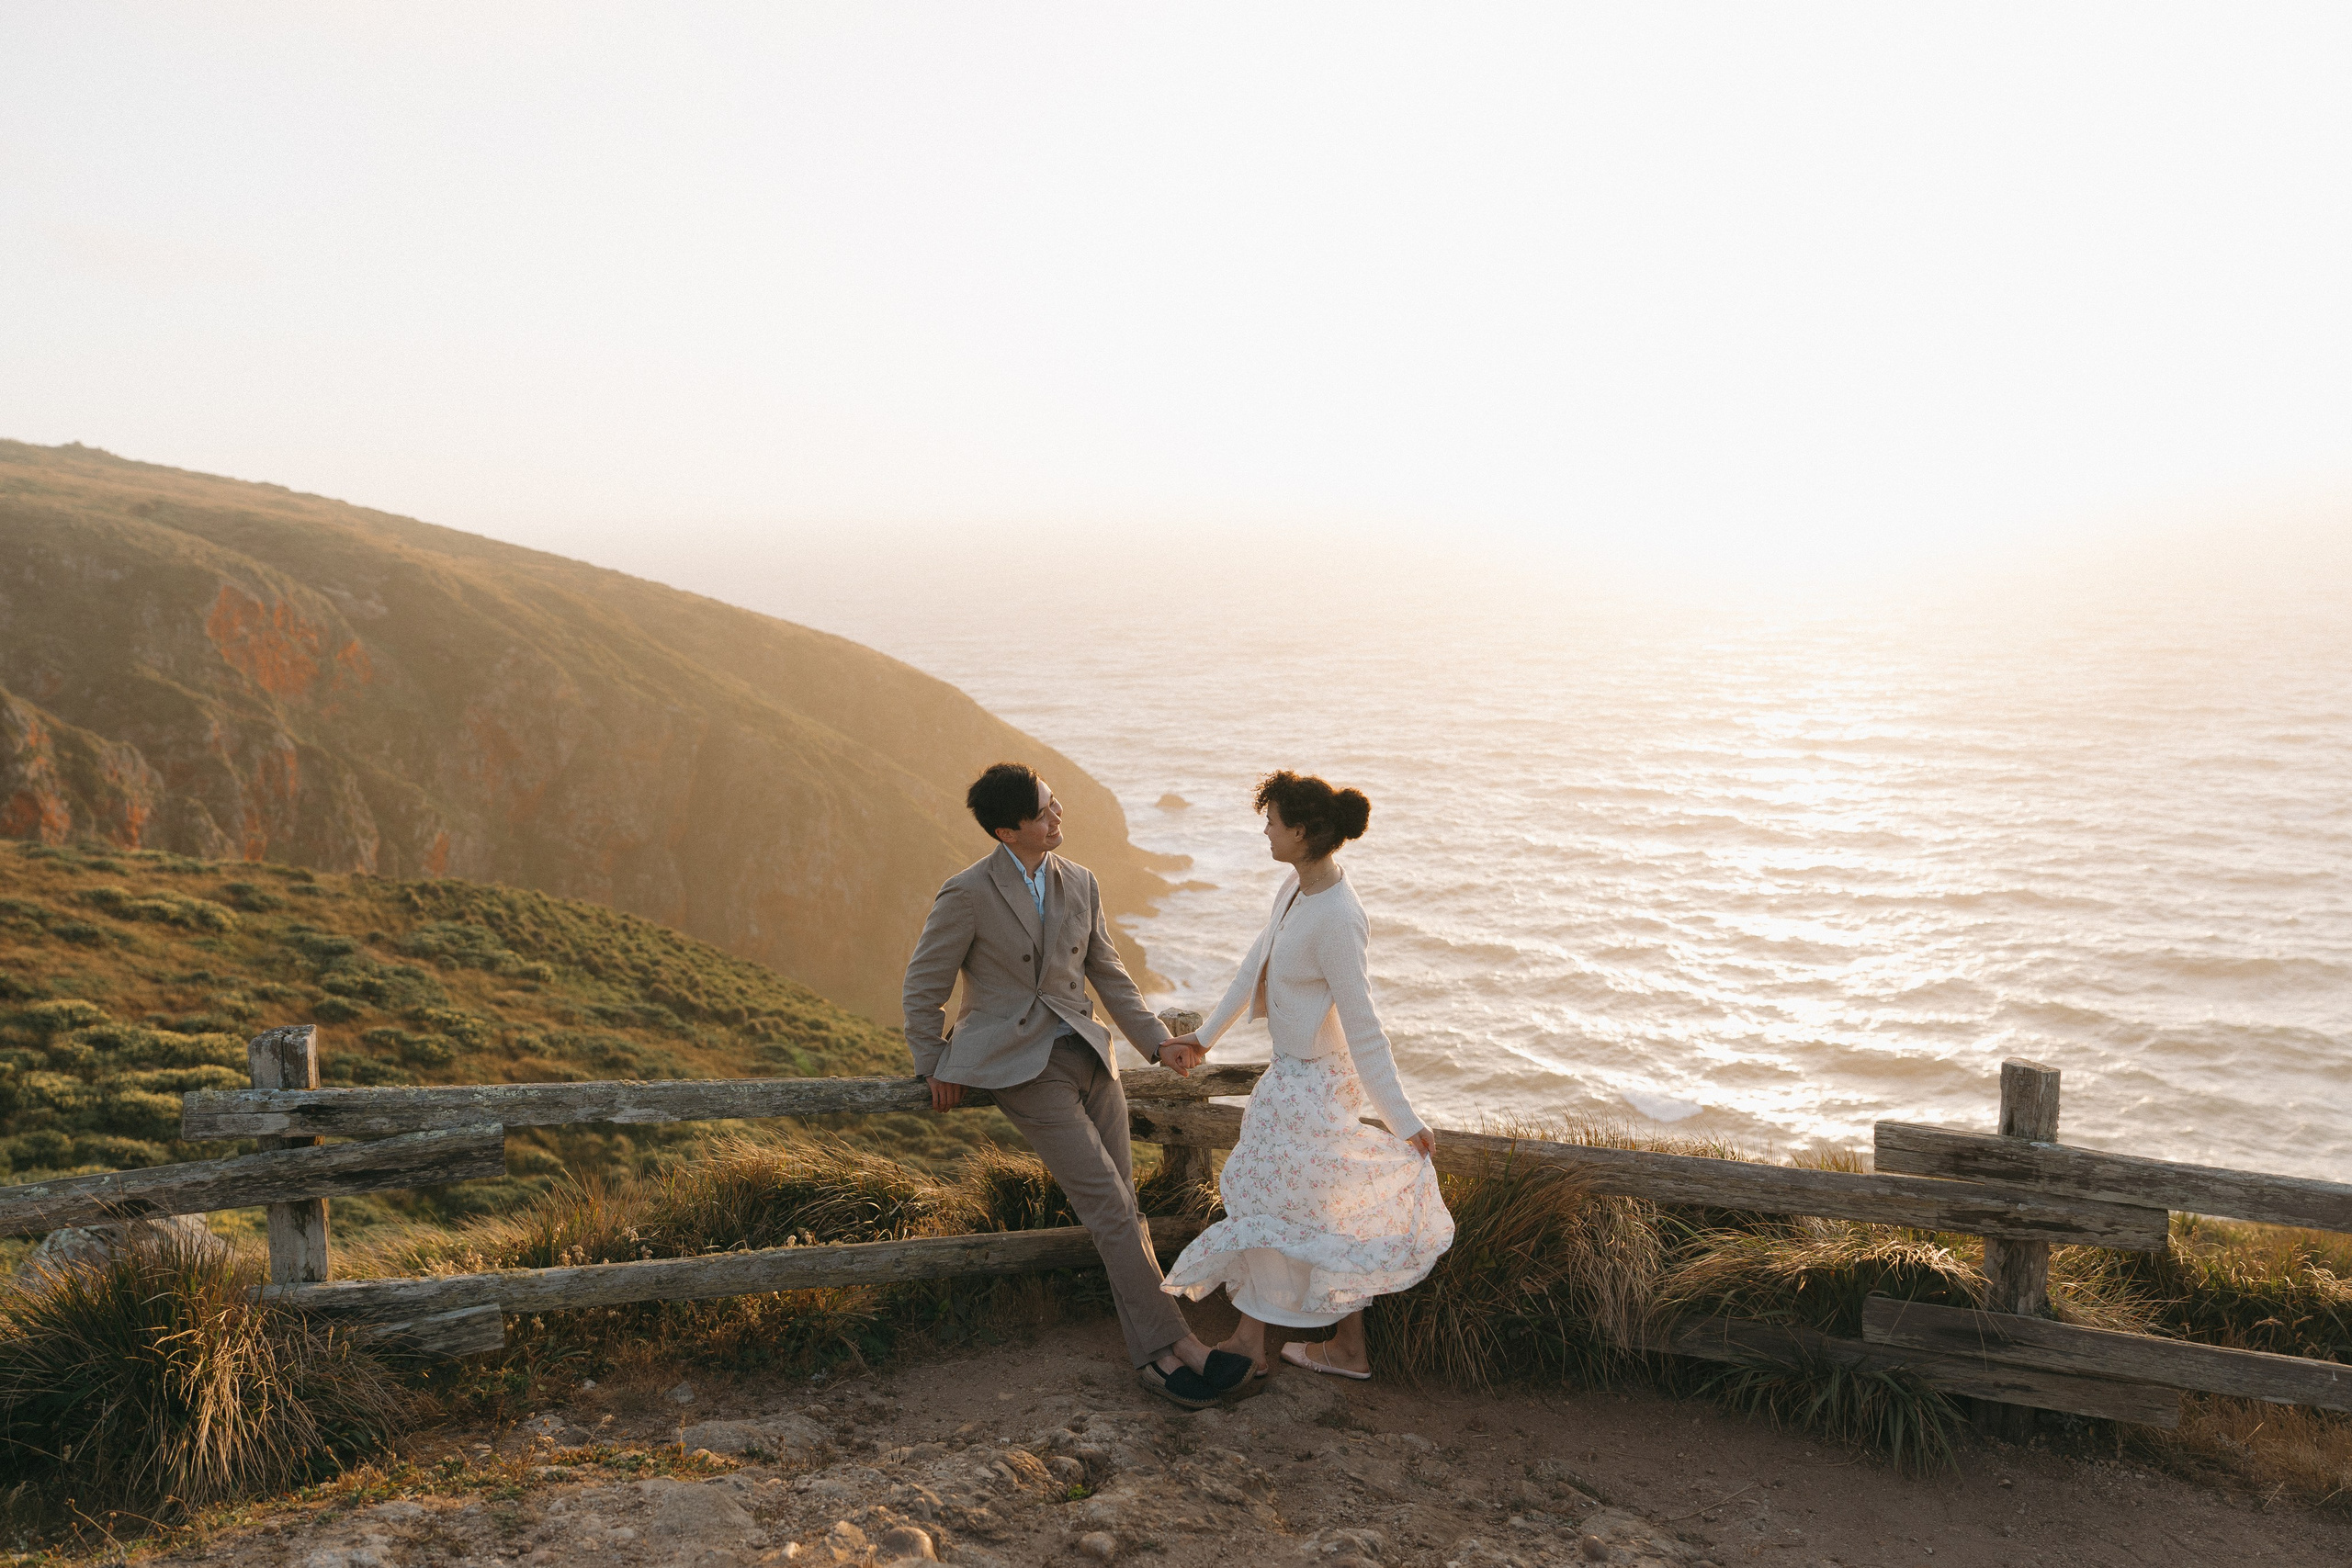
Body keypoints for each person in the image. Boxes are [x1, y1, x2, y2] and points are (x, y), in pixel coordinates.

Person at [904, 761, 1252, 1409]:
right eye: (1042, 811)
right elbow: (923, 984)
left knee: (1123, 1206)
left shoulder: (1082, 882)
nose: (1057, 815)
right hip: (1020, 1067)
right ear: (1009, 830)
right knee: (1113, 1209)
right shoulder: (967, 892)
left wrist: (1156, 1041)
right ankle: (1180, 1347)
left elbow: (1110, 974)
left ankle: (1158, 1357)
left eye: (1054, 803)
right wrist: (934, 1062)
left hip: (1091, 1056)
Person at [1158, 771, 1453, 1380]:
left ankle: (1271, 1342)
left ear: (1304, 832)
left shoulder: (1340, 919)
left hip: (1317, 1084)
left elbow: (1365, 1026)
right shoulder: (1294, 890)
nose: (1264, 829)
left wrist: (1402, 1119)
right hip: (1289, 1076)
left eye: (1272, 821)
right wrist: (1203, 1038)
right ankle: (1311, 1344)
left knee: (1284, 1203)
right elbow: (1252, 968)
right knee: (1294, 1205)